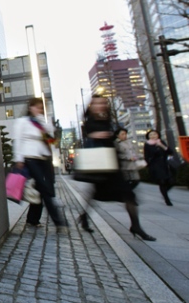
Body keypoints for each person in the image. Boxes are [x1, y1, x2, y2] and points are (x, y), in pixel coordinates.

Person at [78, 95, 155, 241]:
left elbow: (111, 136)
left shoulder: (107, 119)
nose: (100, 105)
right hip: (101, 164)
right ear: (91, 106)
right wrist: (103, 134)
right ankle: (85, 217)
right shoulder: (90, 121)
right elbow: (91, 134)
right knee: (97, 194)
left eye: (102, 103)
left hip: (113, 162)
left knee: (127, 194)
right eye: (96, 103)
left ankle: (135, 226)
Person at [13, 97, 68, 231]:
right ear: (30, 107)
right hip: (30, 158)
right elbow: (18, 140)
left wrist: (42, 119)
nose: (39, 110)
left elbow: (50, 135)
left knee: (40, 189)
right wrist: (18, 159)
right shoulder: (23, 122)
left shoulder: (42, 121)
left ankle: (32, 219)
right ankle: (59, 222)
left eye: (41, 108)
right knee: (45, 189)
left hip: (44, 158)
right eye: (36, 107)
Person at [143, 129, 174, 206]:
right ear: (148, 137)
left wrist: (161, 146)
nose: (153, 136)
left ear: (158, 135)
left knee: (171, 181)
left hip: (165, 164)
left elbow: (170, 152)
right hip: (155, 165)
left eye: (155, 134)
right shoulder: (147, 144)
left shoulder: (161, 142)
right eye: (151, 135)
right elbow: (146, 156)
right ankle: (167, 200)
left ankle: (164, 192)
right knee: (162, 182)